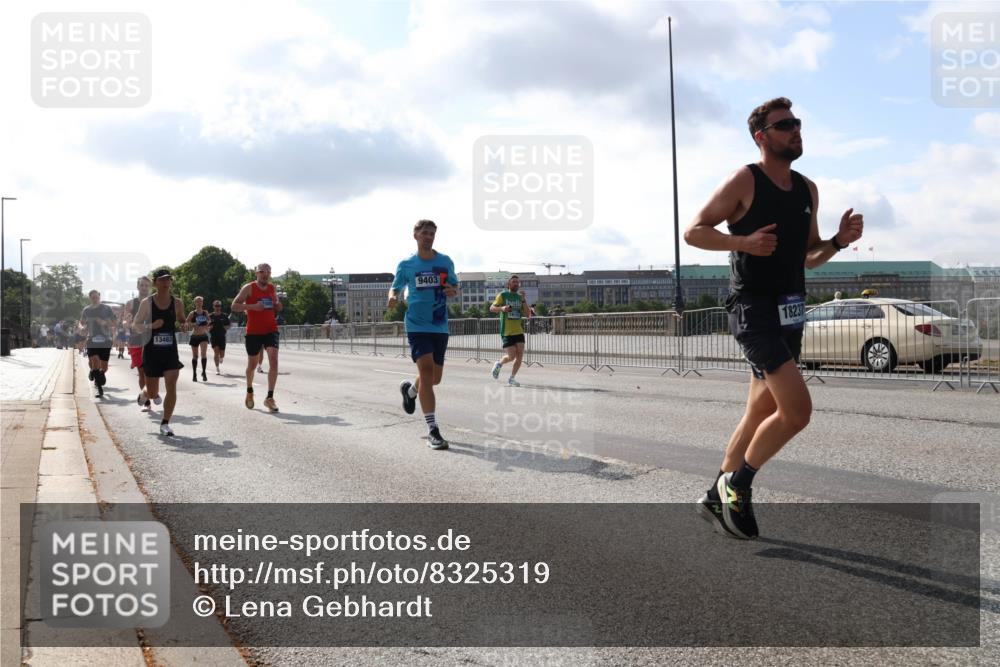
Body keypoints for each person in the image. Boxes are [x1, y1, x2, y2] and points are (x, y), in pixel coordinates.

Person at [683, 97, 864, 539]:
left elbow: (810, 256)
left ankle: (713, 493)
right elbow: (694, 231)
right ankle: (738, 486)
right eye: (785, 125)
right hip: (754, 309)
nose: (796, 130)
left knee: (759, 410)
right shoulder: (745, 180)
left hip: (790, 310)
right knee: (797, 411)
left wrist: (838, 242)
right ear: (762, 137)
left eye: (797, 122)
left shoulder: (807, 189)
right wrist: (742, 243)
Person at [388, 219, 460, 450]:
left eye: (432, 233)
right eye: (425, 233)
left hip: (439, 324)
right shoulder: (407, 264)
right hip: (417, 324)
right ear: (415, 235)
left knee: (434, 378)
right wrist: (392, 296)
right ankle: (433, 430)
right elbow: (396, 286)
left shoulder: (445, 261)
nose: (429, 237)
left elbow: (455, 287)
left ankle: (410, 391)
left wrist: (452, 290)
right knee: (427, 372)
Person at [133, 269, 185, 436]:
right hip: (151, 351)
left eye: (168, 279)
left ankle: (165, 423)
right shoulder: (147, 303)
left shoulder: (177, 303)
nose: (165, 282)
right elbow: (136, 325)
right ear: (155, 283)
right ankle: (145, 394)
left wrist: (184, 325)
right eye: (162, 280)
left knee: (171, 385)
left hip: (170, 350)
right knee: (154, 392)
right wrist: (151, 326)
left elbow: (182, 320)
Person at [232, 263, 282, 412]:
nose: (265, 274)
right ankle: (249, 390)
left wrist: (277, 305)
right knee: (252, 365)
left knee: (273, 360)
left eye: (268, 271)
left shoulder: (272, 288)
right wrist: (253, 306)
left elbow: (279, 307)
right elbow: (234, 306)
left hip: (270, 329)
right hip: (253, 332)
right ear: (256, 273)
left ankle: (270, 397)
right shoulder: (249, 288)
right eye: (262, 271)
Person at [489, 275, 531, 386]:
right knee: (511, 357)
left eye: (517, 282)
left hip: (518, 331)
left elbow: (527, 315)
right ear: (509, 284)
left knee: (520, 356)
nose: (516, 284)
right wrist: (502, 308)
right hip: (506, 331)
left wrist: (523, 300)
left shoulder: (520, 297)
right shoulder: (502, 295)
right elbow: (492, 308)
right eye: (513, 282)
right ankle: (499, 364)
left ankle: (512, 378)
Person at [122, 276, 152, 411]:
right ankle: (147, 401)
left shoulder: (154, 301)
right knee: (142, 372)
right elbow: (124, 321)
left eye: (147, 285)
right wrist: (126, 323)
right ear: (138, 287)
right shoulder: (131, 303)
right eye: (142, 285)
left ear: (149, 287)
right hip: (136, 340)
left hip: (151, 339)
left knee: (152, 371)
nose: (144, 288)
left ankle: (151, 392)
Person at [80, 290, 115, 398]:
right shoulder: (86, 310)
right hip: (92, 339)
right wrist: (83, 328)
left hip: (106, 340)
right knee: (94, 361)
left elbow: (114, 322)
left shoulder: (107, 309)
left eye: (96, 297)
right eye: (93, 297)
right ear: (90, 298)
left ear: (99, 297)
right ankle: (98, 387)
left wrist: (104, 322)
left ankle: (99, 373)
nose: (95, 299)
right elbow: (81, 322)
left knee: (104, 367)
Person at [186, 296, 211, 382]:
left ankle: (204, 373)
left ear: (202, 303)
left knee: (203, 354)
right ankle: (194, 374)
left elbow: (209, 321)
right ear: (195, 303)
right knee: (195, 356)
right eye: (197, 301)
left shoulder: (205, 312)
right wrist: (193, 325)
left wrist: (207, 324)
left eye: (200, 301)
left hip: (203, 335)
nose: (199, 303)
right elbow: (186, 322)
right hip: (195, 336)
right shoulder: (192, 313)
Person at [209, 300, 231, 375]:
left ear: (220, 307)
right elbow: (206, 325)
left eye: (219, 306)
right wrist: (209, 327)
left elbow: (229, 325)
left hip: (222, 336)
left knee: (222, 354)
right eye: (216, 306)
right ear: (213, 307)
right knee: (216, 351)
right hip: (214, 336)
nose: (217, 307)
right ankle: (217, 368)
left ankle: (221, 358)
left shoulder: (224, 316)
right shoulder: (210, 316)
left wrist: (225, 328)